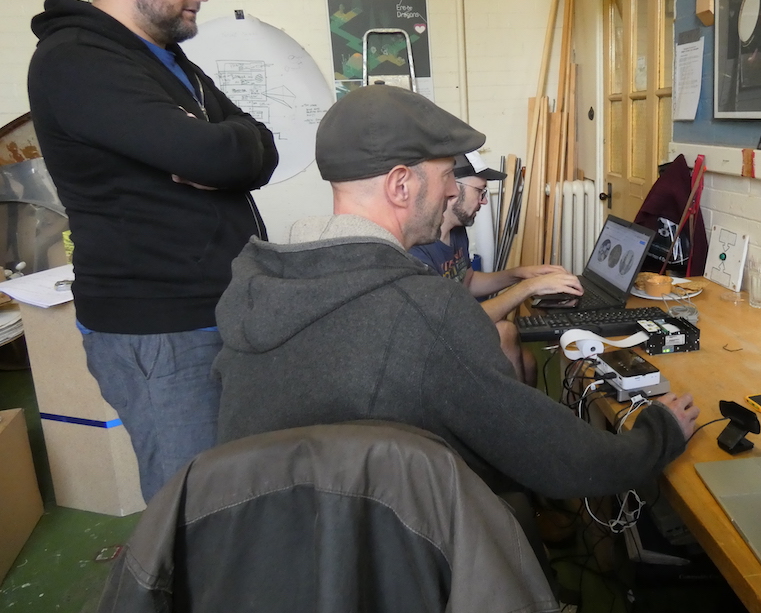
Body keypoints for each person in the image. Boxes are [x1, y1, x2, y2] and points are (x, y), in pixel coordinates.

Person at [212, 84, 699, 530]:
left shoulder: (263, 291)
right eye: (447, 176)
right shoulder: (423, 310)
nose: (452, 191)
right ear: (401, 185)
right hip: (397, 558)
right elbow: (557, 457)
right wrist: (659, 433)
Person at [26, 0, 279, 501]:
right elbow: (217, 156)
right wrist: (221, 155)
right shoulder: (76, 63)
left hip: (211, 312)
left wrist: (226, 154)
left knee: (236, 495)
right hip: (160, 329)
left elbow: (260, 146)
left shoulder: (164, 60)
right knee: (193, 507)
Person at [409, 150, 582, 384]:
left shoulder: (457, 231)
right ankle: (512, 418)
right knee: (505, 332)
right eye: (480, 191)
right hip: (436, 347)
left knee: (529, 362)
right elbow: (456, 321)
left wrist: (518, 274)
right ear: (453, 188)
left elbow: (468, 281)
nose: (484, 201)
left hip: (454, 328)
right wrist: (529, 287)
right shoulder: (418, 248)